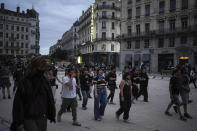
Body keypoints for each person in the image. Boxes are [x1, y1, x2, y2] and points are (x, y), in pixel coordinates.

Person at [10, 56, 56, 131]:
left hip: (42, 116)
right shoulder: (25, 81)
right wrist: (18, 122)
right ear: (35, 67)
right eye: (42, 67)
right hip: (29, 117)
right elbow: (18, 103)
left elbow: (49, 98)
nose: (44, 70)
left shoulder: (44, 81)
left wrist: (51, 113)